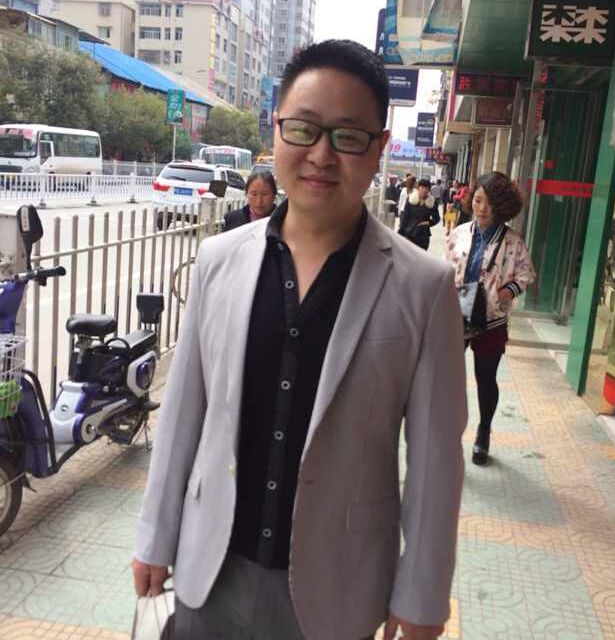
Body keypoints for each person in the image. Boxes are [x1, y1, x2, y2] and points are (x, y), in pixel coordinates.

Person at [133, 39, 466, 640]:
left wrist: (423, 594)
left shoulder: (424, 287)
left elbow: (435, 460)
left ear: (379, 148)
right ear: (277, 128)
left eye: (348, 135)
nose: (322, 154)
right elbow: (184, 412)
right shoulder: (218, 260)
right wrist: (155, 535)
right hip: (210, 567)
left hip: (338, 585)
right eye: (304, 129)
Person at [445, 172, 535, 466]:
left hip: (492, 320)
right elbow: (445, 268)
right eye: (478, 200)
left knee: (485, 378)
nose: (482, 208)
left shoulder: (513, 242)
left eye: (490, 203)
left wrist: (505, 293)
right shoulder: (459, 233)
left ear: (502, 206)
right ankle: (447, 434)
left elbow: (526, 274)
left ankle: (483, 431)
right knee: (448, 377)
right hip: (458, 313)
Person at [398, 178, 440, 251]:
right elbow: (405, 217)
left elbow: (437, 218)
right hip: (410, 233)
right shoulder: (411, 199)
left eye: (426, 188)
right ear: (418, 188)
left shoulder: (432, 202)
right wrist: (400, 232)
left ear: (429, 190)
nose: (424, 190)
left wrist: (428, 222)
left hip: (423, 236)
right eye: (422, 187)